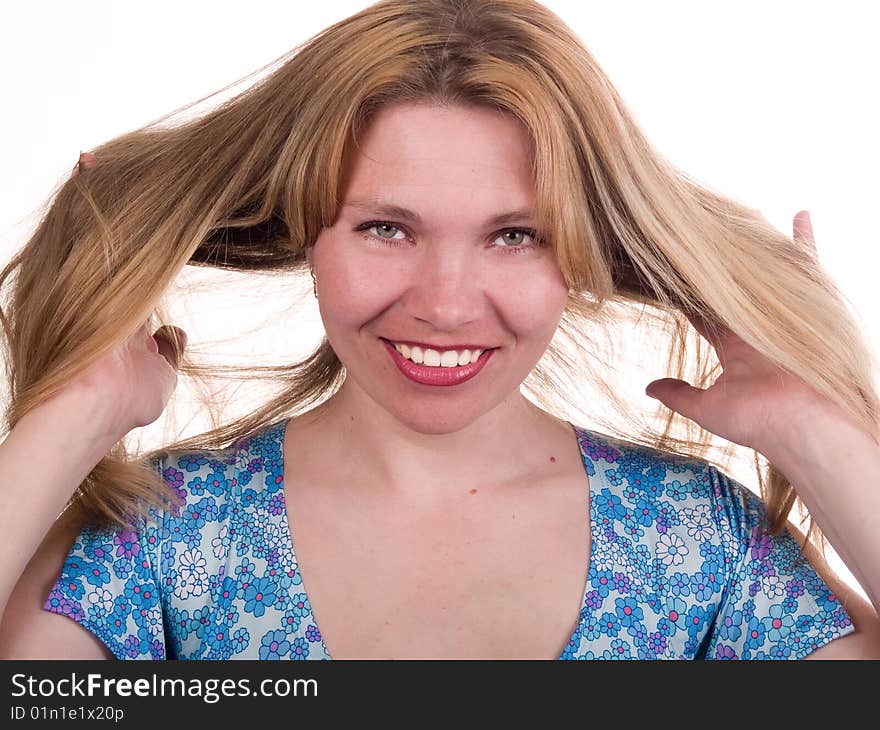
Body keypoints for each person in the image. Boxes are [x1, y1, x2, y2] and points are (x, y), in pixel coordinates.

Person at [0, 0, 878, 660]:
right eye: (387, 227)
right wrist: (77, 409)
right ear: (307, 230)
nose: (448, 304)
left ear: (579, 253)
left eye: (515, 235)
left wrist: (816, 428)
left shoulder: (698, 541)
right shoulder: (165, 538)